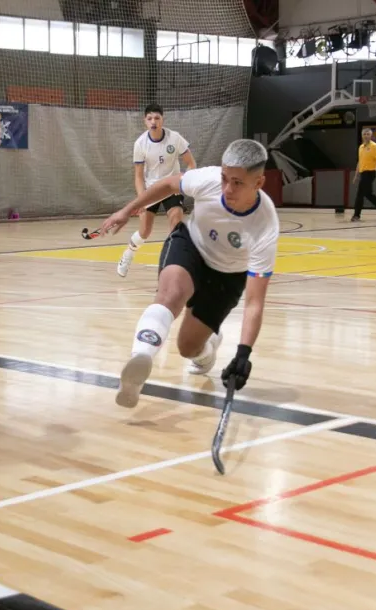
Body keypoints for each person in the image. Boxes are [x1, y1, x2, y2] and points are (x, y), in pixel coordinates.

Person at [99, 139, 279, 408]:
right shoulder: (208, 180)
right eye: (224, 178)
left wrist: (243, 353)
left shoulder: (265, 224)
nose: (227, 189)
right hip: (191, 245)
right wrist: (127, 211)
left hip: (227, 276)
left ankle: (207, 351)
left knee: (188, 347)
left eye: (237, 183)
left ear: (259, 183)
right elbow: (167, 185)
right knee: (170, 295)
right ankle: (140, 360)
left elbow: (254, 302)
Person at [117, 104, 197, 277]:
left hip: (172, 187)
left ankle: (170, 270)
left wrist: (183, 181)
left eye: (157, 118)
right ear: (145, 121)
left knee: (176, 224)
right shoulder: (140, 144)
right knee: (145, 231)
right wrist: (141, 200)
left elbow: (191, 164)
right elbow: (139, 176)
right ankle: (128, 253)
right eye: (150, 118)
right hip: (152, 189)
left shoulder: (174, 138)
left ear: (162, 119)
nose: (153, 121)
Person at [350, 128, 376, 222]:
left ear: (371, 135)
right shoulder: (360, 147)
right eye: (364, 134)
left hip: (370, 173)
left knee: (360, 194)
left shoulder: (375, 146)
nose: (366, 136)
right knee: (368, 194)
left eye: (368, 134)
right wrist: (356, 175)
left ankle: (356, 215)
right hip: (363, 173)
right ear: (362, 136)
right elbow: (360, 162)